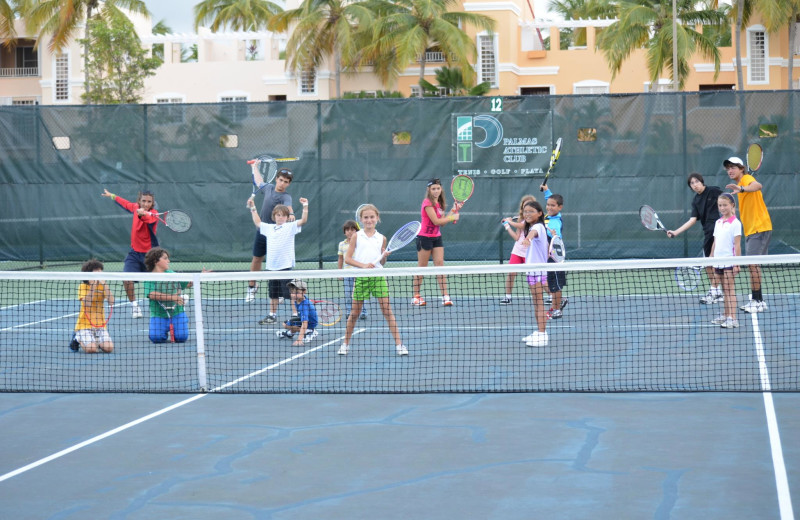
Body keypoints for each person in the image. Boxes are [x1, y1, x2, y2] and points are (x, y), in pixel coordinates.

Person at [338, 204, 407, 356]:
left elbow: (381, 263)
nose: (369, 220)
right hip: (361, 278)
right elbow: (348, 259)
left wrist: (384, 257)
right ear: (361, 220)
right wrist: (363, 266)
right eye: (366, 217)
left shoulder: (382, 238)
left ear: (377, 218)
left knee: (387, 311)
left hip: (378, 278)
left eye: (372, 217)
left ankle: (400, 345)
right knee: (355, 313)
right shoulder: (356, 236)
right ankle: (345, 344)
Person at [247, 195, 309, 324]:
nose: (280, 217)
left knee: (291, 293)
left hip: (285, 266)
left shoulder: (290, 227)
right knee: (273, 294)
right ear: (274, 216)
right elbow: (258, 222)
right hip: (271, 268)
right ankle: (272, 315)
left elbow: (303, 220)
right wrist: (253, 207)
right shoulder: (269, 228)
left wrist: (305, 206)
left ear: (287, 217)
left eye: (283, 215)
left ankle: (295, 314)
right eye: (278, 215)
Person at [724, 156, 772, 313]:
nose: (730, 170)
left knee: (753, 265)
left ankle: (757, 301)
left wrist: (743, 188)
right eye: (728, 168)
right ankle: (759, 300)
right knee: (753, 265)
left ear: (741, 168)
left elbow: (758, 185)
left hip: (758, 227)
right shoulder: (740, 185)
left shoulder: (746, 179)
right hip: (753, 229)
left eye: (733, 167)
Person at [666, 173, 723, 304]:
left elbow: (729, 199)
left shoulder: (713, 191)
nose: (695, 185)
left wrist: (730, 218)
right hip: (708, 233)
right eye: (692, 183)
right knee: (709, 264)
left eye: (696, 181)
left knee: (717, 263)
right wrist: (675, 232)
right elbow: (692, 220)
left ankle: (714, 291)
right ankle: (717, 292)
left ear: (702, 181)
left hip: (719, 231)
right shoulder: (696, 201)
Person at [101, 189, 158, 319]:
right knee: (126, 279)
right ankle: (135, 306)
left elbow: (147, 219)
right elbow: (125, 203)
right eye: (143, 201)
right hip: (134, 253)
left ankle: (176, 297)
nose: (146, 204)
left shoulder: (153, 214)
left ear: (152, 203)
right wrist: (112, 195)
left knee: (161, 281)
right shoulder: (135, 207)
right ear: (139, 201)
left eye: (149, 202)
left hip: (150, 255)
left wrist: (141, 214)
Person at [245, 164, 295, 303]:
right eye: (281, 180)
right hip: (262, 231)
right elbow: (258, 180)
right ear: (276, 179)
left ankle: (278, 292)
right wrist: (255, 166)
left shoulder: (286, 197)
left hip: (276, 236)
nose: (282, 183)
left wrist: (291, 214)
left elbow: (289, 207)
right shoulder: (268, 188)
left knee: (277, 265)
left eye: (286, 182)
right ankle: (252, 287)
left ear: (288, 184)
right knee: (256, 259)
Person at [412, 178, 459, 306]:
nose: (436, 191)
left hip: (437, 237)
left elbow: (442, 223)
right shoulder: (427, 203)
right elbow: (436, 222)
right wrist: (452, 217)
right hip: (424, 238)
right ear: (429, 190)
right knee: (422, 268)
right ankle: (416, 297)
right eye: (433, 188)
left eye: (438, 188)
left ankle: (445, 296)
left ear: (441, 189)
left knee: (440, 266)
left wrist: (453, 210)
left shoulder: (440, 203)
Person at [143, 247, 192, 343]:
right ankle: (161, 329)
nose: (168, 261)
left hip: (177, 312)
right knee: (156, 338)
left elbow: (187, 284)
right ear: (155, 261)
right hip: (158, 314)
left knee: (181, 338)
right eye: (165, 258)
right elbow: (151, 294)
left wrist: (201, 276)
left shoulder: (172, 274)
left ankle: (182, 320)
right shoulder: (149, 277)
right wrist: (172, 297)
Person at [518, 200, 550, 347]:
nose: (527, 214)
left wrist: (528, 239)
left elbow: (533, 233)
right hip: (532, 270)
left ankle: (543, 335)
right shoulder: (535, 226)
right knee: (536, 303)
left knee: (539, 302)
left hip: (537, 271)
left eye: (531, 211)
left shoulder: (537, 227)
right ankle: (539, 331)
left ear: (539, 213)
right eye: (525, 211)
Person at [709, 193, 743, 329]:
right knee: (724, 291)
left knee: (730, 290)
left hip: (729, 262)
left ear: (732, 205)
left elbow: (737, 245)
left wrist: (737, 263)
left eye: (725, 205)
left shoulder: (735, 223)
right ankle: (726, 314)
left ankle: (733, 318)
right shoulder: (718, 222)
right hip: (718, 261)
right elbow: (715, 241)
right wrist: (711, 257)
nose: (722, 208)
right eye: (720, 205)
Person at [70, 259, 114, 353]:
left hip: (100, 325)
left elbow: (111, 302)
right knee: (91, 349)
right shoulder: (83, 286)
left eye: (100, 270)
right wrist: (93, 286)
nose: (100, 272)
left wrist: (105, 284)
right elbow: (87, 304)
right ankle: (77, 338)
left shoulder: (102, 286)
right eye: (97, 270)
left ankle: (94, 340)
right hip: (84, 325)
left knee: (109, 348)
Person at [500, 194, 536, 305]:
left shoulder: (534, 221)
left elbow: (524, 226)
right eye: (526, 208)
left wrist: (510, 221)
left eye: (531, 209)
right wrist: (507, 226)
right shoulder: (520, 220)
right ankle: (508, 297)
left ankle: (549, 295)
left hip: (529, 253)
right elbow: (517, 237)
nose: (528, 211)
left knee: (534, 277)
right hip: (517, 251)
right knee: (511, 273)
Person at [540, 183, 568, 319]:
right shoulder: (550, 216)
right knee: (552, 284)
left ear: (560, 208)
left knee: (556, 285)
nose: (549, 207)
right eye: (548, 205)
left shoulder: (555, 221)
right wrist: (546, 190)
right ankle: (560, 301)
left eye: (553, 206)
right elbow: (550, 198)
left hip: (555, 258)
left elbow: (557, 238)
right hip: (548, 257)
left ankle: (557, 310)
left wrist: (552, 233)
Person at [338, 220, 367, 320]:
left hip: (359, 273)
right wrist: (339, 272)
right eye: (347, 230)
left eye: (352, 229)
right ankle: (349, 311)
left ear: (356, 231)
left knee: (360, 293)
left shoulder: (360, 243)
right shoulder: (342, 244)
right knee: (348, 294)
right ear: (344, 232)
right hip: (347, 273)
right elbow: (340, 259)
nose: (349, 232)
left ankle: (362, 312)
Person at [276, 279, 319, 346]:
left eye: (297, 292)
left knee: (286, 325)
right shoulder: (300, 299)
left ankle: (310, 331)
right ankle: (290, 333)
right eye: (292, 292)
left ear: (304, 291)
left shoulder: (303, 306)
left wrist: (299, 339)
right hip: (305, 318)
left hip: (309, 323)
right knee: (287, 322)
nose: (293, 295)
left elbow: (305, 323)